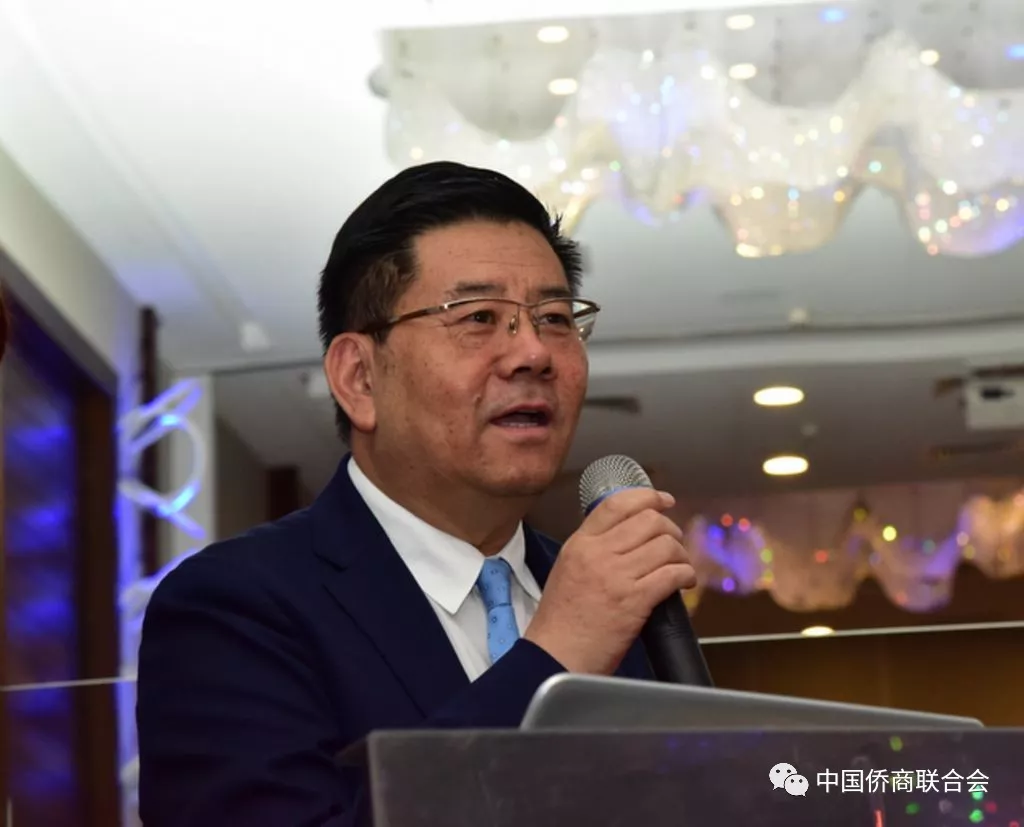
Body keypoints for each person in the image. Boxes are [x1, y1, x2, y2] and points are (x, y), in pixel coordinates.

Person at [136, 161, 696, 826]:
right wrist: (553, 656)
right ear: (359, 378)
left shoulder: (621, 606)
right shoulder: (231, 608)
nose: (535, 353)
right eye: (479, 316)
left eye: (553, 317)